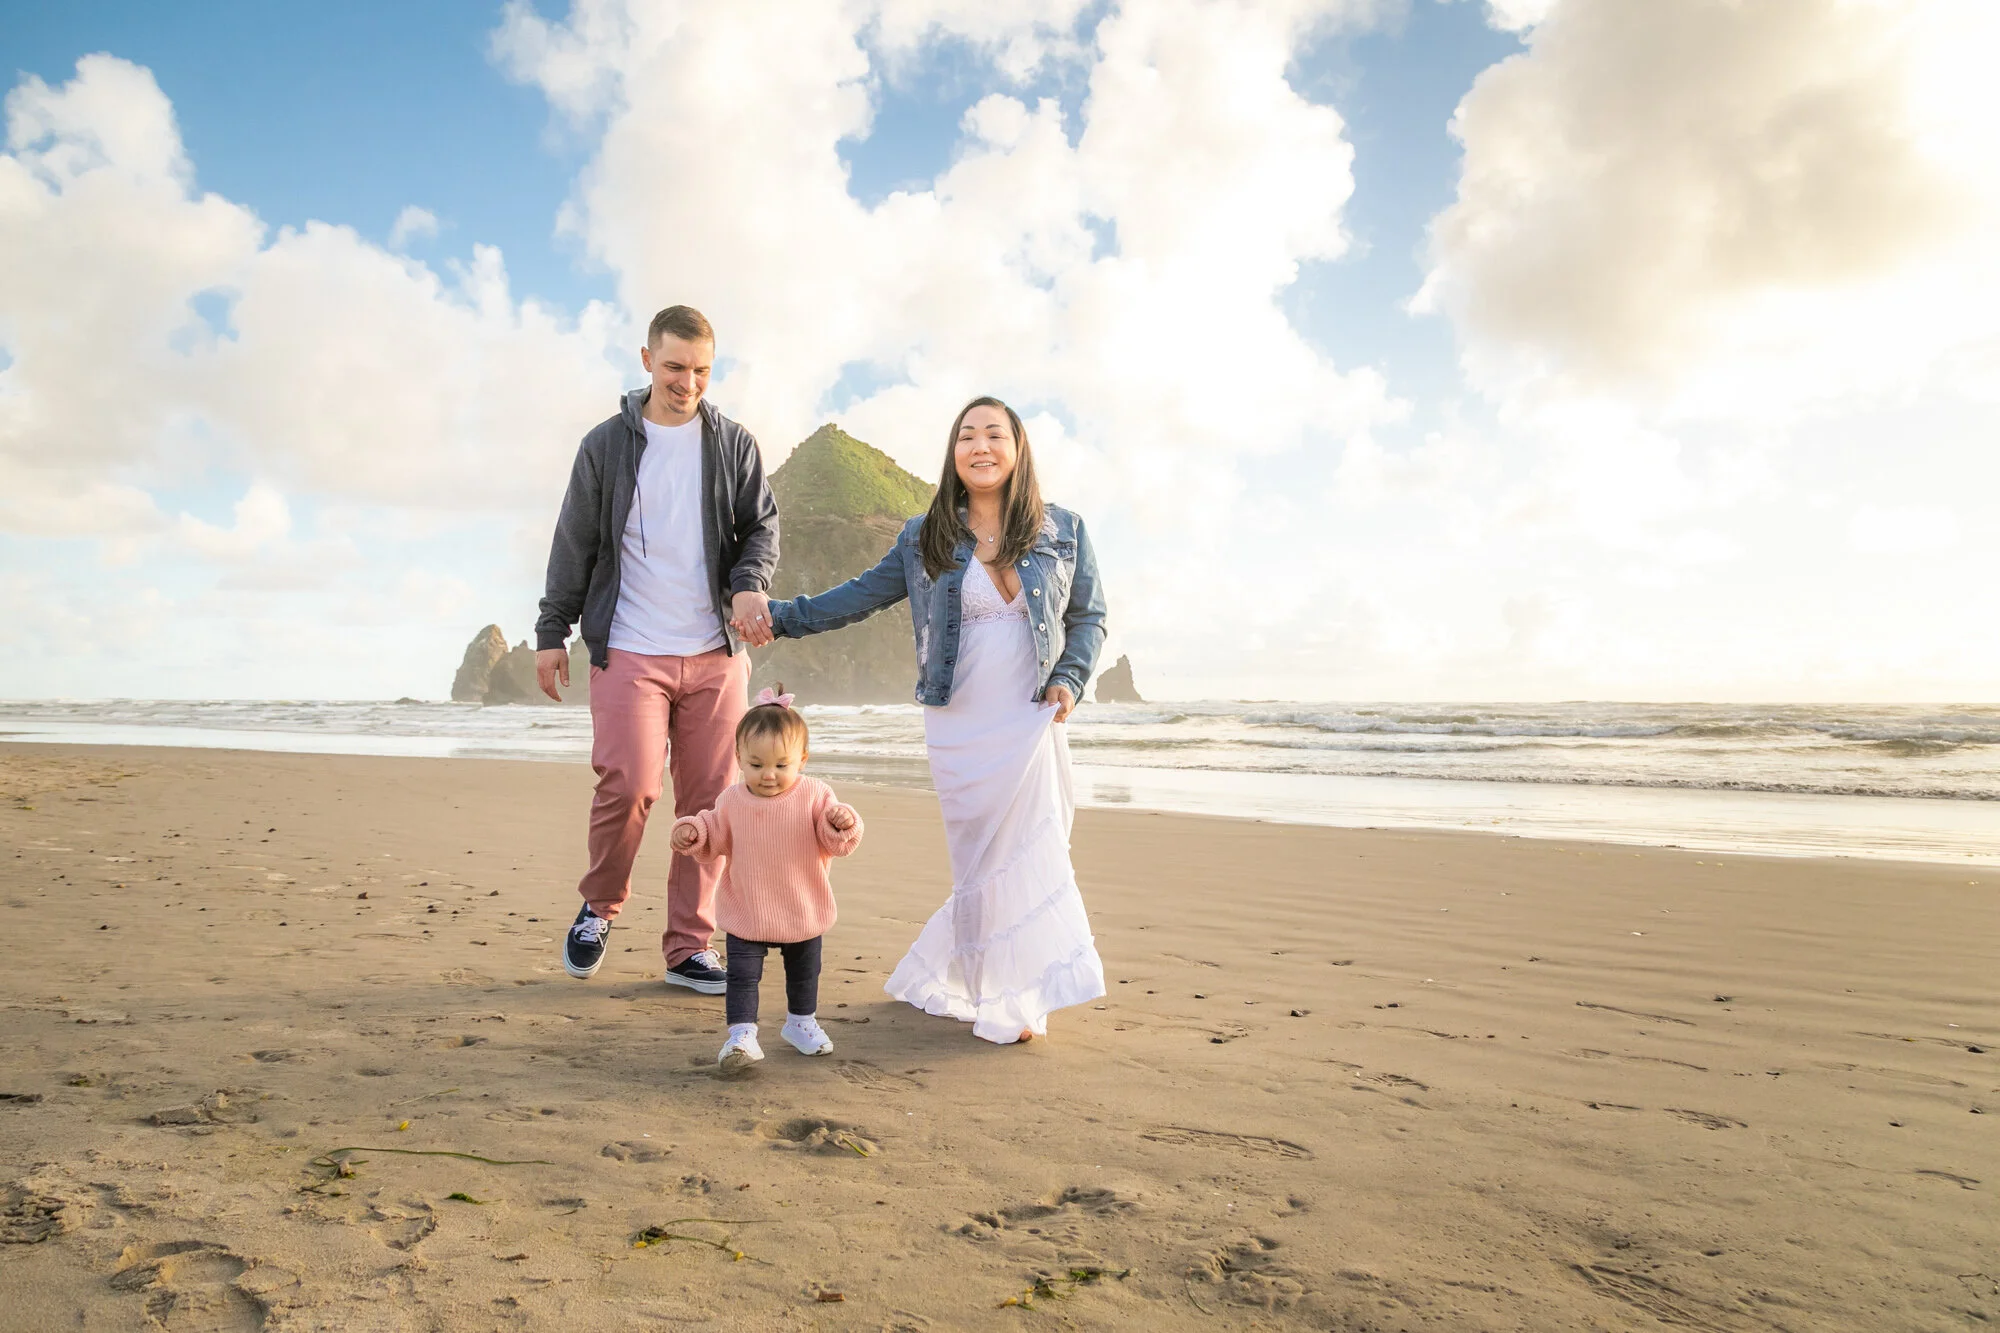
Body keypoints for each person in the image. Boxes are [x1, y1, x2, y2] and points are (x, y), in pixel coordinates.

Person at [767, 396, 1108, 1044]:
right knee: (981, 862)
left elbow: (1088, 617)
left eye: (994, 435)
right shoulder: (925, 535)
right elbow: (857, 597)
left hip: (1032, 716)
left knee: (1034, 846)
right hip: (960, 720)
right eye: (967, 436)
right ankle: (989, 988)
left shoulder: (1066, 528)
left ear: (1017, 448)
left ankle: (1019, 997)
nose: (981, 446)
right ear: (954, 452)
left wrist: (1070, 679)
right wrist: (781, 615)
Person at [534, 305, 783, 993]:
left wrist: (746, 587)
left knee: (708, 802)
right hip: (630, 647)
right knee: (632, 783)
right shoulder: (605, 446)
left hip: (714, 651)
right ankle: (599, 906)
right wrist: (551, 631)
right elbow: (574, 542)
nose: (688, 382)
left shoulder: (732, 444)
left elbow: (761, 528)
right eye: (675, 367)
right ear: (647, 360)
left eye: (702, 370)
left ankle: (687, 946)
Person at [670, 685, 864, 1071]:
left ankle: (801, 1022)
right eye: (757, 765)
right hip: (748, 908)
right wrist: (691, 831)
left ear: (802, 760)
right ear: (739, 758)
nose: (769, 775)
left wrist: (843, 822)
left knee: (805, 972)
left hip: (801, 907)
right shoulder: (732, 800)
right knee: (742, 975)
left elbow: (837, 841)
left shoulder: (815, 795)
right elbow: (713, 831)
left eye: (781, 765)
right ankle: (741, 1035)